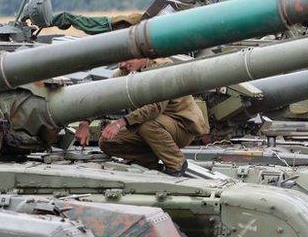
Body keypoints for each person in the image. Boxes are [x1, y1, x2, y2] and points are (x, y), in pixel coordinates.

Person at [75, 57, 210, 176]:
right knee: (107, 142)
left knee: (147, 124)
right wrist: (85, 122)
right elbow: (103, 97)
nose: (121, 65)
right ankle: (150, 163)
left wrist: (121, 123)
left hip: (180, 126)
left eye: (126, 59)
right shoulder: (125, 71)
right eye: (119, 60)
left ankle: (177, 164)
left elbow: (155, 107)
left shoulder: (162, 68)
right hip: (151, 128)